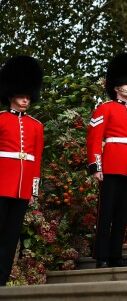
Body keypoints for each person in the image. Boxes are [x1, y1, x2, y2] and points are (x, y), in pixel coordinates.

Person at [87, 53, 127, 269]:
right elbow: (94, 138)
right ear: (116, 86)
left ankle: (115, 255)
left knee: (122, 214)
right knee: (106, 213)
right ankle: (101, 255)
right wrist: (96, 166)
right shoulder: (105, 108)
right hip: (111, 166)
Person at [0, 56, 43, 286]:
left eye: (28, 96)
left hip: (22, 188)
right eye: (21, 96)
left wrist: (33, 189)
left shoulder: (37, 126)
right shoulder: (1, 120)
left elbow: (36, 161)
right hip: (1, 183)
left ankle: (2, 280)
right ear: (11, 96)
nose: (25, 100)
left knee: (10, 237)